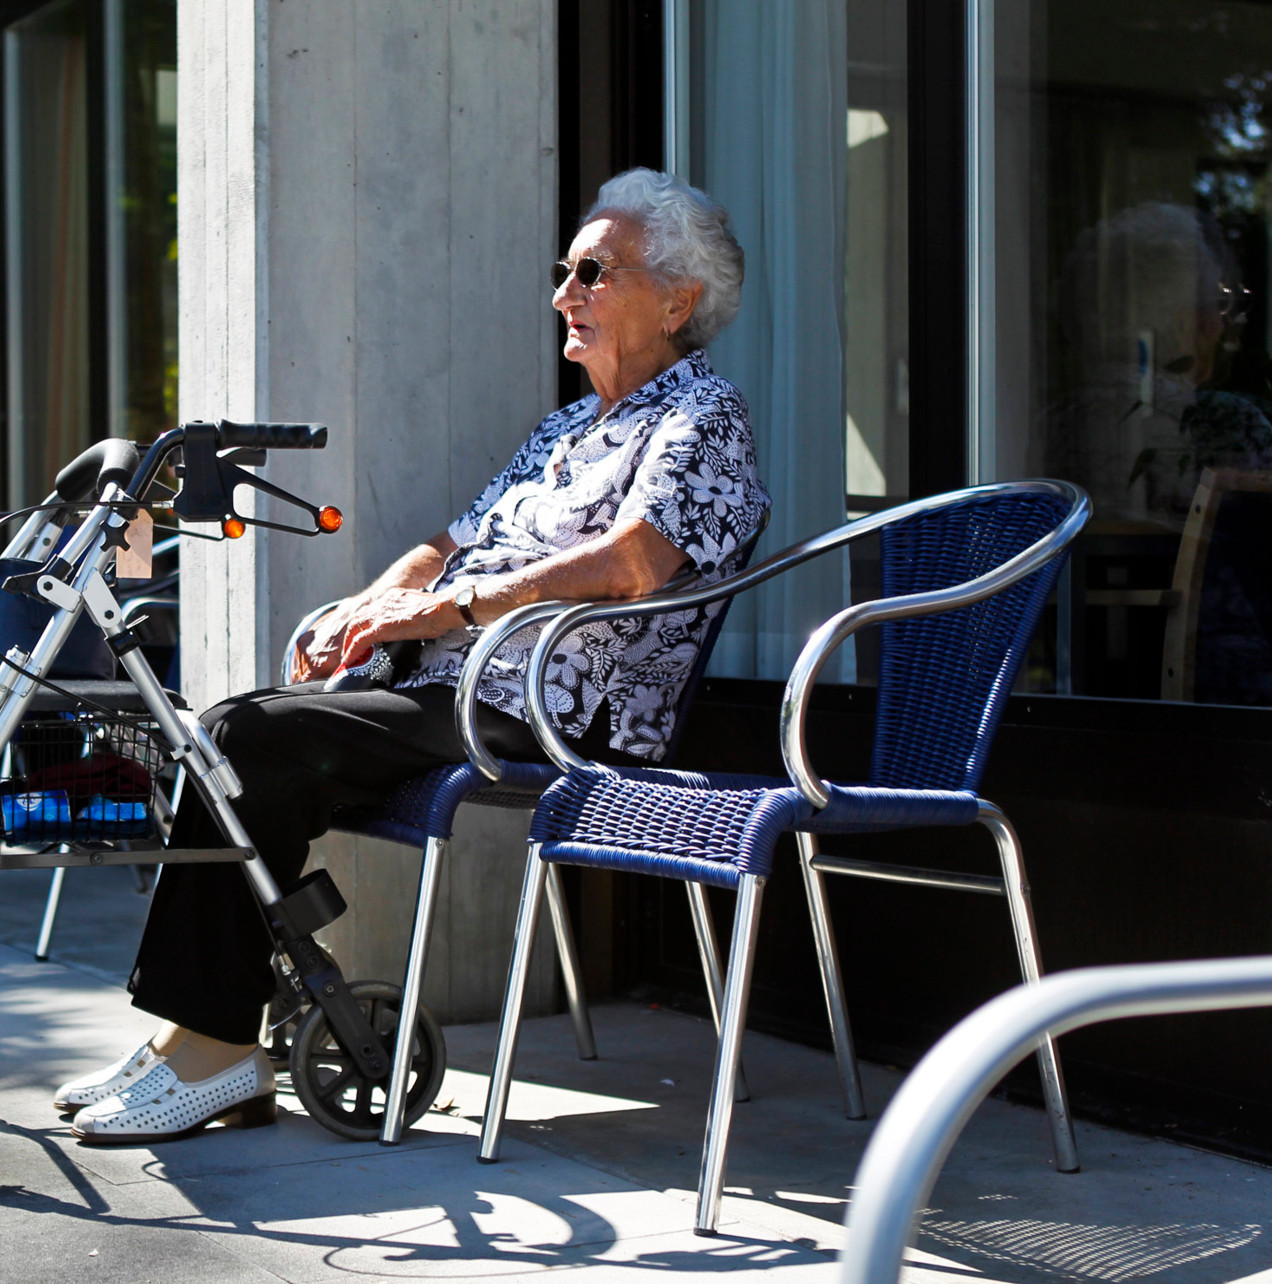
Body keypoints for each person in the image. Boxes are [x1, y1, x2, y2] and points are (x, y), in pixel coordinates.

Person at [57, 168, 769, 1143]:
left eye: (593, 273)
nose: (563, 294)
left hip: (555, 704)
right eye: (564, 271)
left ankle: (214, 1045)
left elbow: (634, 560)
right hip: (460, 686)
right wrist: (372, 603)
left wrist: (443, 611)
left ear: (677, 298)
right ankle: (203, 1036)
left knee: (244, 736)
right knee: (232, 747)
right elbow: (446, 542)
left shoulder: (703, 418)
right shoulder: (565, 428)